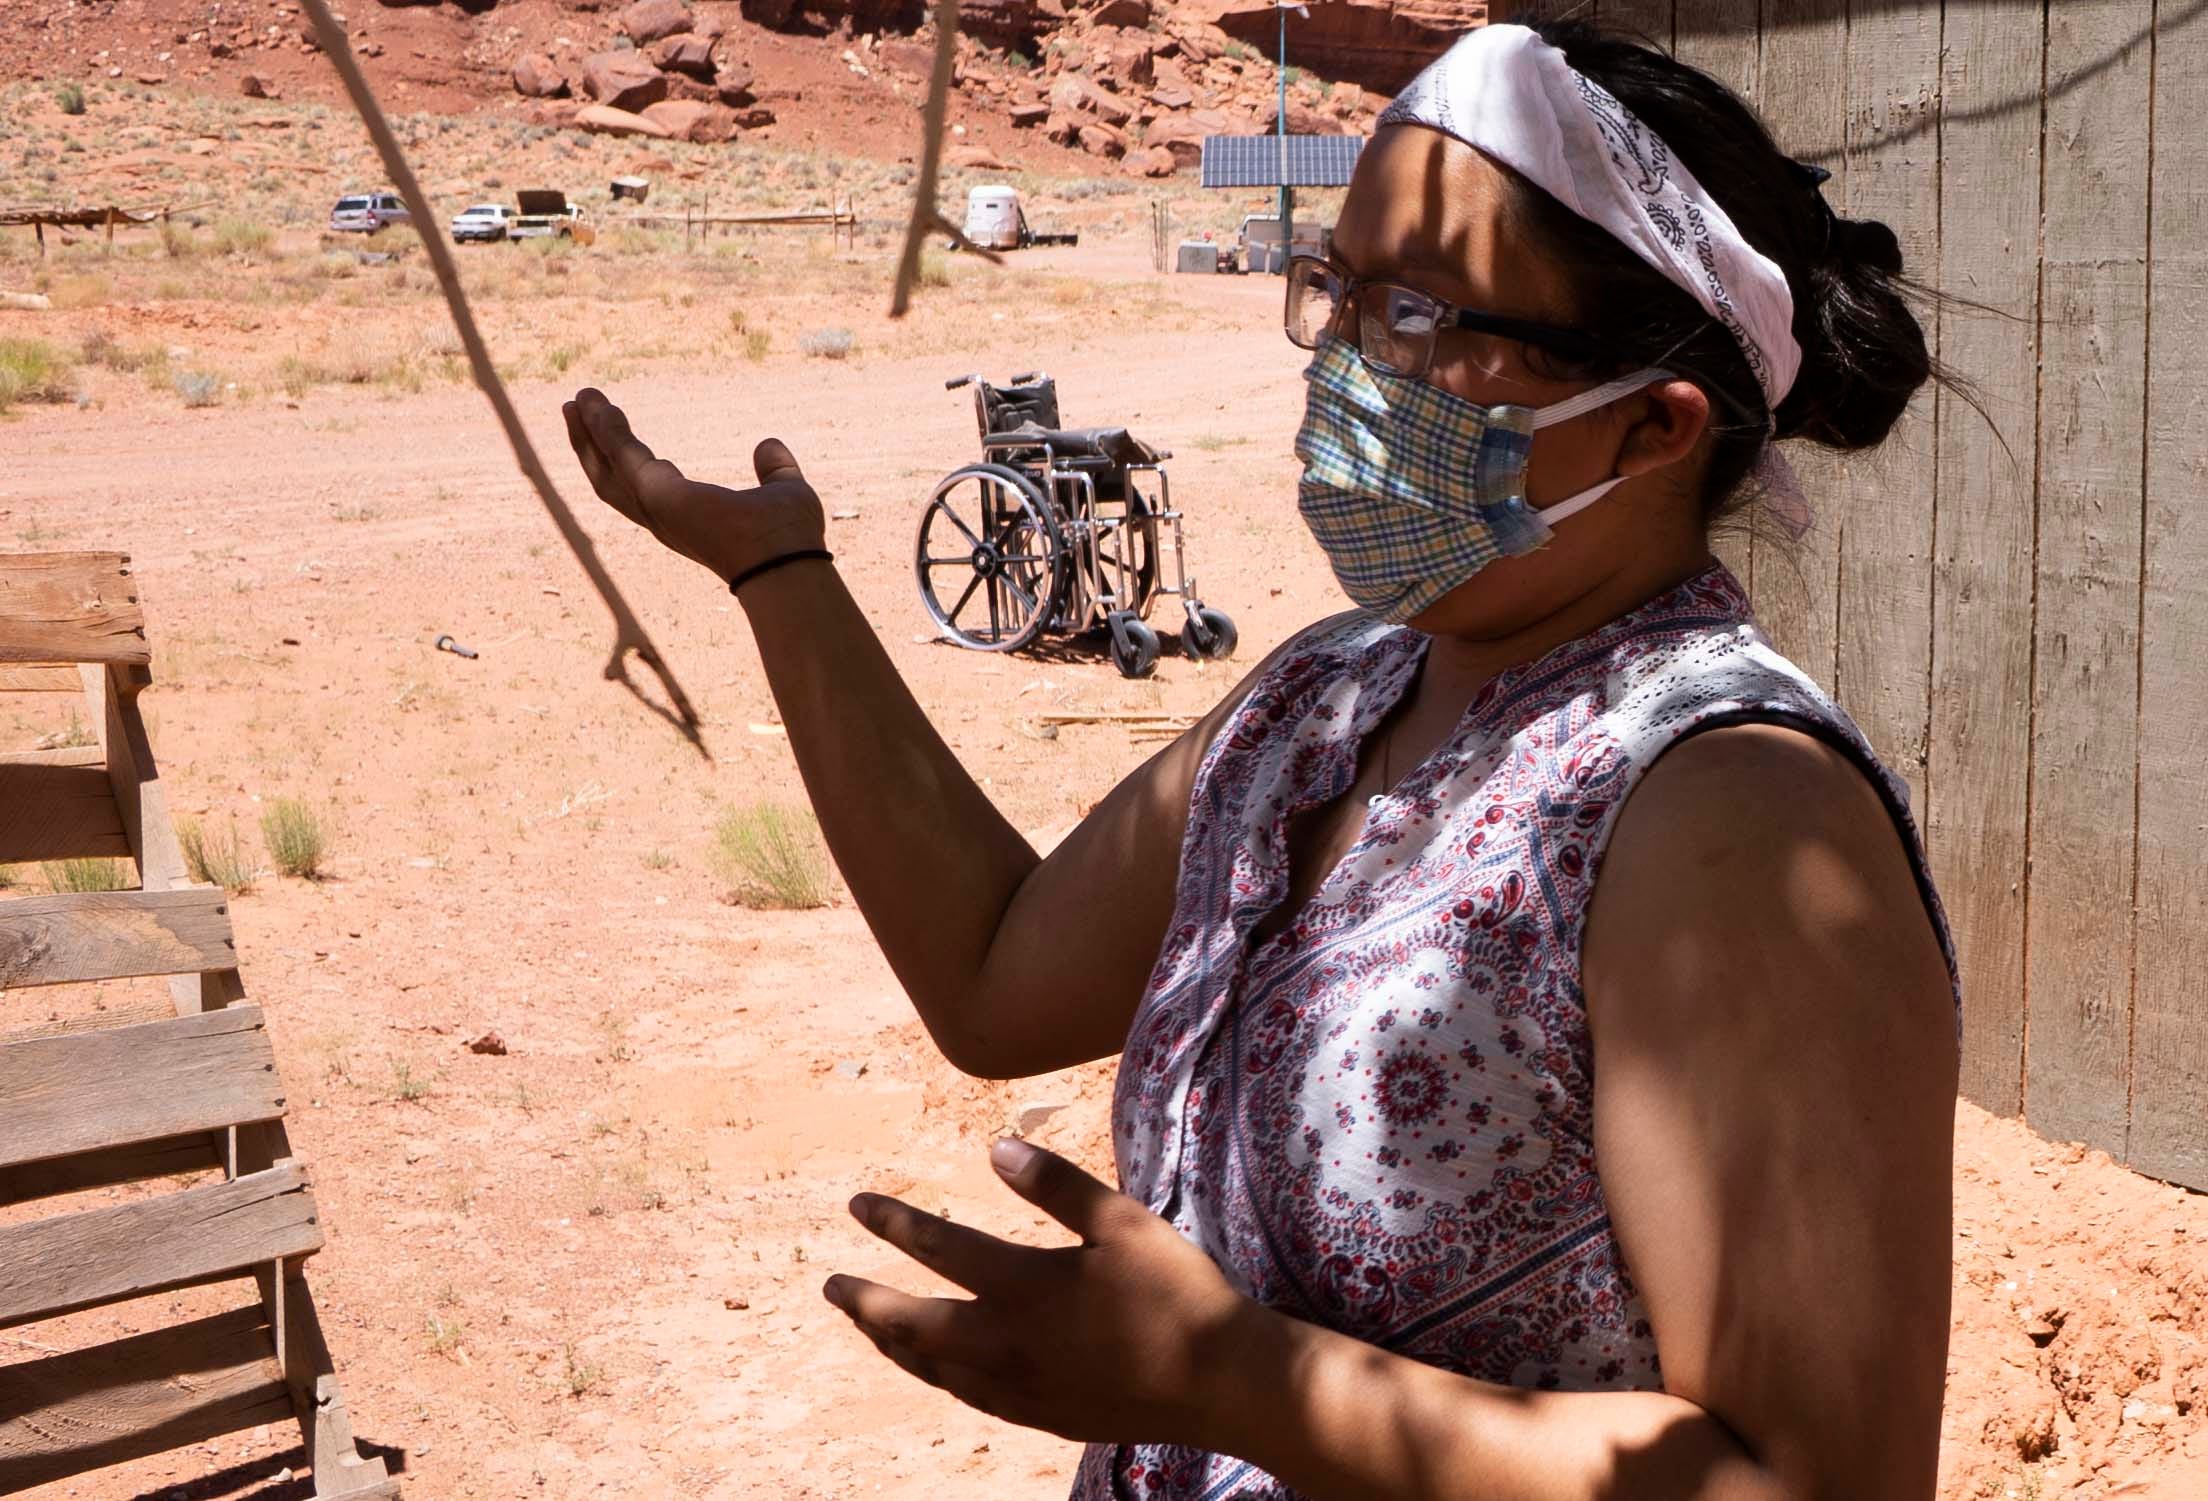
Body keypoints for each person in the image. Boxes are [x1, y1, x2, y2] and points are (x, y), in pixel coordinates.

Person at [561, 19, 1961, 1500]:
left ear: (1650, 428)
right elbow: (990, 971)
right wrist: (784, 576)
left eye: (1419, 313)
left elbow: (1819, 1479)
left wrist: (1228, 1381)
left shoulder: (1731, 815)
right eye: (1337, 291)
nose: (1350, 361)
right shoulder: (1324, 699)